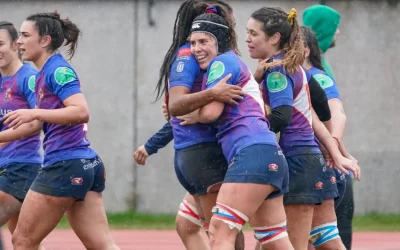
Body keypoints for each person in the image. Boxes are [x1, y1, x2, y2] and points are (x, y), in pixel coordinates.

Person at [2, 11, 119, 250]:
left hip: (65, 165)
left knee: (22, 241)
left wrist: (35, 112)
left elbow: (80, 111)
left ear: (45, 40)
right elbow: (36, 124)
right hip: (82, 164)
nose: (20, 41)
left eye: (25, 35)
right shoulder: (42, 74)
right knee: (101, 245)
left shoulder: (58, 70)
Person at [180, 7, 294, 250]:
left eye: (204, 41)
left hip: (251, 155)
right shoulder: (234, 62)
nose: (197, 49)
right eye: (193, 43)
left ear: (219, 41)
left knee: (220, 231)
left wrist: (193, 113)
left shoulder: (222, 62)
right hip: (269, 155)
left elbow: (212, 112)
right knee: (274, 239)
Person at [245, 7, 359, 250]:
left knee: (283, 241)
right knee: (324, 237)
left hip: (297, 160)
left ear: (275, 38)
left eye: (252, 33)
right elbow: (319, 113)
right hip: (310, 158)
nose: (247, 39)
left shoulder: (278, 69)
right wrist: (334, 150)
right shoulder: (298, 70)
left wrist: (248, 128)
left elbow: (284, 116)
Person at [153, 1, 245, 249]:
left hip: (194, 152)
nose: (233, 28)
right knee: (223, 230)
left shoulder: (208, 56)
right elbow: (177, 103)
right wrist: (212, 95)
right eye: (230, 22)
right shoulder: (189, 55)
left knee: (202, 227)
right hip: (202, 151)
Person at [303, 5, 356, 249]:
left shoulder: (318, 73)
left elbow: (334, 114)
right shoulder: (294, 71)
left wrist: (335, 149)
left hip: (317, 163)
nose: (338, 34)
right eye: (335, 28)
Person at [0, 21, 46, 250]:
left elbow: (38, 121)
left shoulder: (28, 77)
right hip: (5, 165)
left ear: (15, 44)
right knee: (25, 243)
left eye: (0, 44)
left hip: (22, 166)